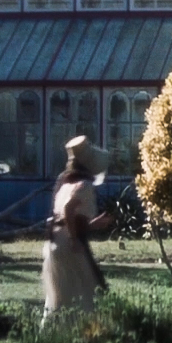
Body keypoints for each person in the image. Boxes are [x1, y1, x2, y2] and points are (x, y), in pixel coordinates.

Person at [43, 135, 115, 317]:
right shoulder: (83, 185)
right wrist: (75, 239)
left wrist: (92, 224)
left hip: (56, 242)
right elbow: (68, 209)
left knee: (62, 294)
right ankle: (87, 330)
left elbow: (65, 218)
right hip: (70, 243)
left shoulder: (65, 183)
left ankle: (55, 332)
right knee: (89, 289)